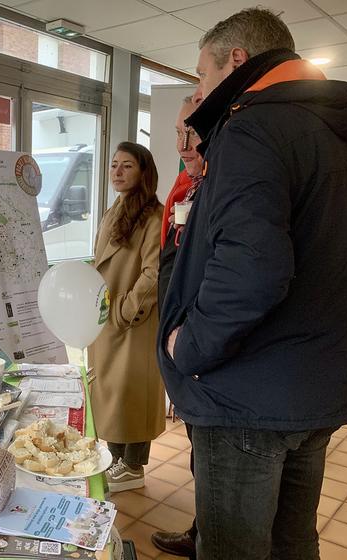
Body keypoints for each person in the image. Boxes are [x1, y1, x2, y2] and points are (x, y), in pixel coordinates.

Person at [158, 8, 347, 559]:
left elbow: (253, 270)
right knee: (292, 542)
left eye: (201, 74)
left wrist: (188, 346)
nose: (200, 87)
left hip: (248, 396)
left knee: (234, 548)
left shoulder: (252, 128)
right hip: (318, 384)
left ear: (237, 60)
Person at [88, 141, 164, 492]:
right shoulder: (113, 209)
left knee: (132, 393)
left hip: (133, 321)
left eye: (127, 166)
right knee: (110, 393)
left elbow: (154, 273)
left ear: (143, 171)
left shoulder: (154, 216)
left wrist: (124, 310)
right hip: (107, 316)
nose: (117, 172)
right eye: (114, 164)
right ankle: (117, 459)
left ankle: (133, 466)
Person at [151, 96, 204, 560]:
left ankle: (206, 534)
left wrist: (185, 343)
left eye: (193, 132)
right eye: (177, 133)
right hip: (182, 347)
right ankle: (201, 529)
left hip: (202, 354)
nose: (183, 145)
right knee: (199, 455)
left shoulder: (222, 187)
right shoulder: (184, 186)